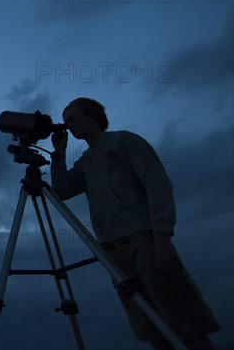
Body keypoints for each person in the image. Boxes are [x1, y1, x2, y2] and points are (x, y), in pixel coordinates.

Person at [50, 97, 221, 350]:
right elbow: (62, 190)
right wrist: (59, 155)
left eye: (72, 119)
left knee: (182, 319)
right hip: (112, 252)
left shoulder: (124, 141)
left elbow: (157, 185)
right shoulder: (86, 161)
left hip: (145, 240)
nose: (68, 126)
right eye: (65, 121)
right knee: (149, 325)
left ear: (92, 116)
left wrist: (162, 236)